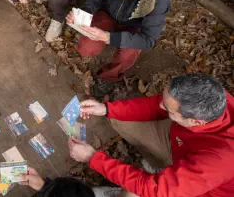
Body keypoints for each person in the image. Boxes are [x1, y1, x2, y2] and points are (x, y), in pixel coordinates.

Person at [68, 73, 234, 197]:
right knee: (119, 118)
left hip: (198, 190)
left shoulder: (218, 162)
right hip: (181, 145)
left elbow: (155, 189)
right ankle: (158, 167)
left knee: (135, 192)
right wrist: (107, 109)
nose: (160, 105)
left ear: (196, 121)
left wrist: (93, 158)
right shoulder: (214, 96)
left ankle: (124, 190)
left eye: (168, 109)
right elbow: (157, 105)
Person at [66, 0, 170, 96]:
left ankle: (108, 77)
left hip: (135, 26)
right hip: (108, 13)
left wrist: (108, 37)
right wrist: (82, 15)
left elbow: (148, 39)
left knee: (127, 55)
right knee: (86, 48)